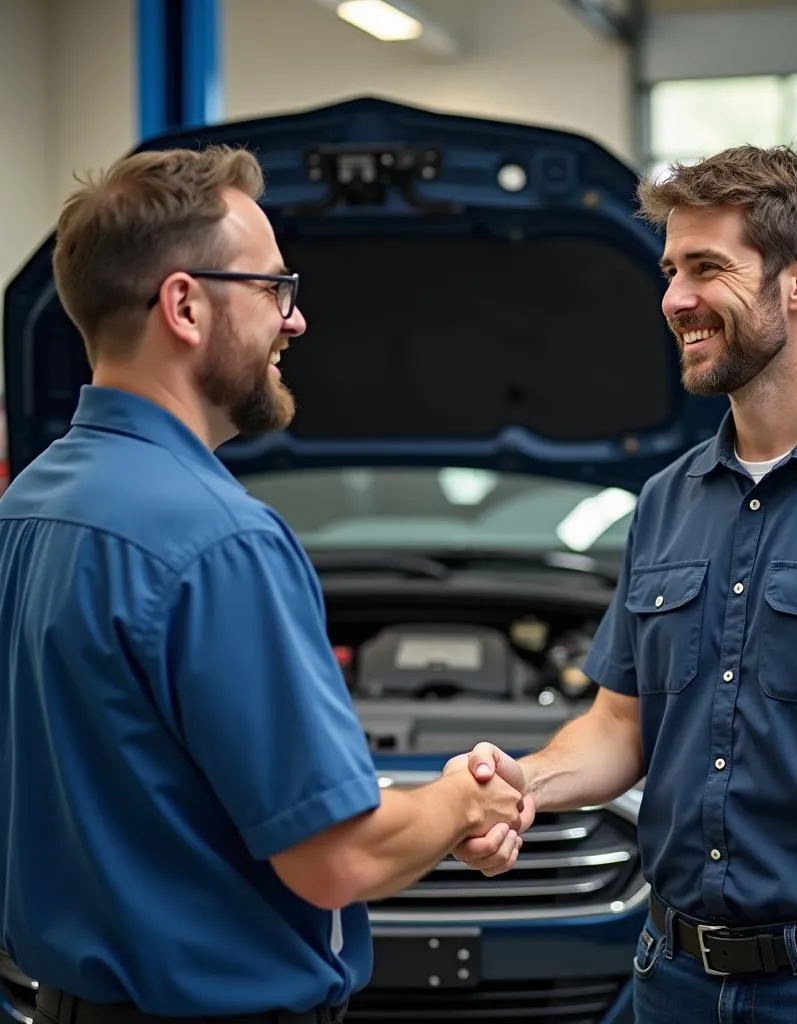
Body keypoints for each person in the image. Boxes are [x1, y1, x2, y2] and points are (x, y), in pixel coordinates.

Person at [447, 145, 797, 1023]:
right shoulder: (666, 500)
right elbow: (619, 724)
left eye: (708, 268)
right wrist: (523, 785)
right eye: (672, 269)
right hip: (667, 977)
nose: (675, 298)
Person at [0, 145, 525, 1024]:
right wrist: (462, 796)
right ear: (186, 305)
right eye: (273, 288)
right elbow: (335, 861)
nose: (296, 320)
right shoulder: (220, 540)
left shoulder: (29, 506)